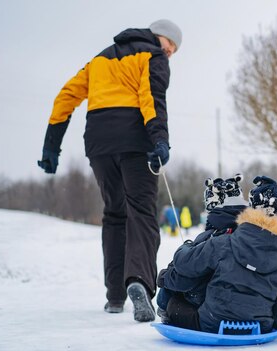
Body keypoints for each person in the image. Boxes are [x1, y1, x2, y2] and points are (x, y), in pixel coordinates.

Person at [37, 19, 182, 322]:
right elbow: (152, 99)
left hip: (99, 145)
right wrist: (160, 141)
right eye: (170, 49)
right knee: (141, 211)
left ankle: (115, 296)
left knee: (114, 213)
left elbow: (66, 95)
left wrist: (51, 147)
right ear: (160, 39)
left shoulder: (100, 59)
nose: (168, 55)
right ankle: (139, 281)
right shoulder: (151, 57)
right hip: (134, 141)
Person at [158, 176, 277, 333]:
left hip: (211, 323)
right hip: (261, 327)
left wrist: (186, 247)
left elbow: (184, 265)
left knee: (171, 302)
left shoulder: (223, 243)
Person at [156, 174, 248, 318]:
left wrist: (166, 278)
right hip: (253, 306)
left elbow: (188, 274)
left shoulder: (214, 239)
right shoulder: (256, 234)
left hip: (215, 309)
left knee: (168, 298)